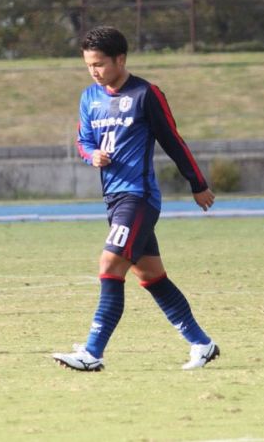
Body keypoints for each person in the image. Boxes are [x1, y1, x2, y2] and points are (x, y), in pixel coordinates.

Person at [53, 26, 219, 371]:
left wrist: (197, 183)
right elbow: (82, 141)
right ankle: (202, 344)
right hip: (113, 200)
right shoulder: (89, 98)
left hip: (138, 197)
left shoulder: (147, 94)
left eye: (99, 64)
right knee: (151, 277)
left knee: (110, 265)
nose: (94, 71)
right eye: (88, 65)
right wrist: (92, 155)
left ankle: (92, 352)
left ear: (120, 59)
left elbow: (173, 141)